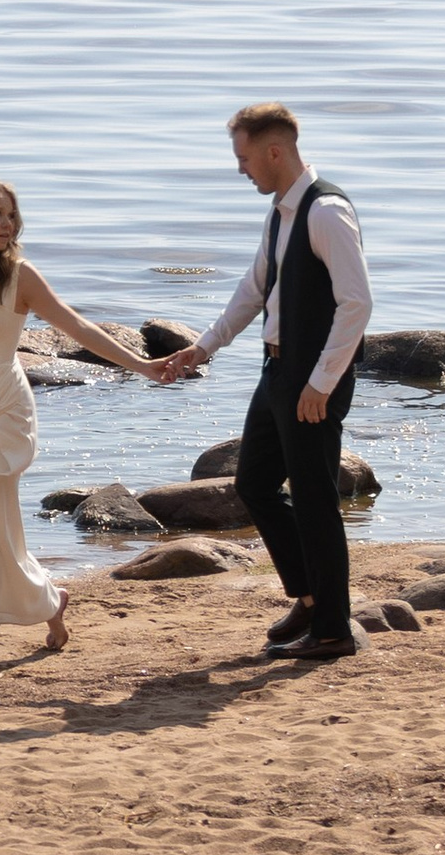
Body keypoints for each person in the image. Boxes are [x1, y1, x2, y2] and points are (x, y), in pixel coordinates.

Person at [151, 104, 372, 664]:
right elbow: (254, 292)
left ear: (275, 152)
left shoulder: (326, 212)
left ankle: (332, 631)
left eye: (245, 158)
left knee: (317, 500)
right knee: (253, 483)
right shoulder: (281, 212)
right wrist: (203, 347)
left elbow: (357, 304)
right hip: (278, 371)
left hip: (312, 378)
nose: (241, 169)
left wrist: (322, 382)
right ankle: (309, 595)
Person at [0, 180, 157, 673]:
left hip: (4, 408)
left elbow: (79, 328)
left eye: (11, 215)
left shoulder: (19, 276)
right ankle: (49, 603)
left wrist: (142, 365)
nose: (8, 225)